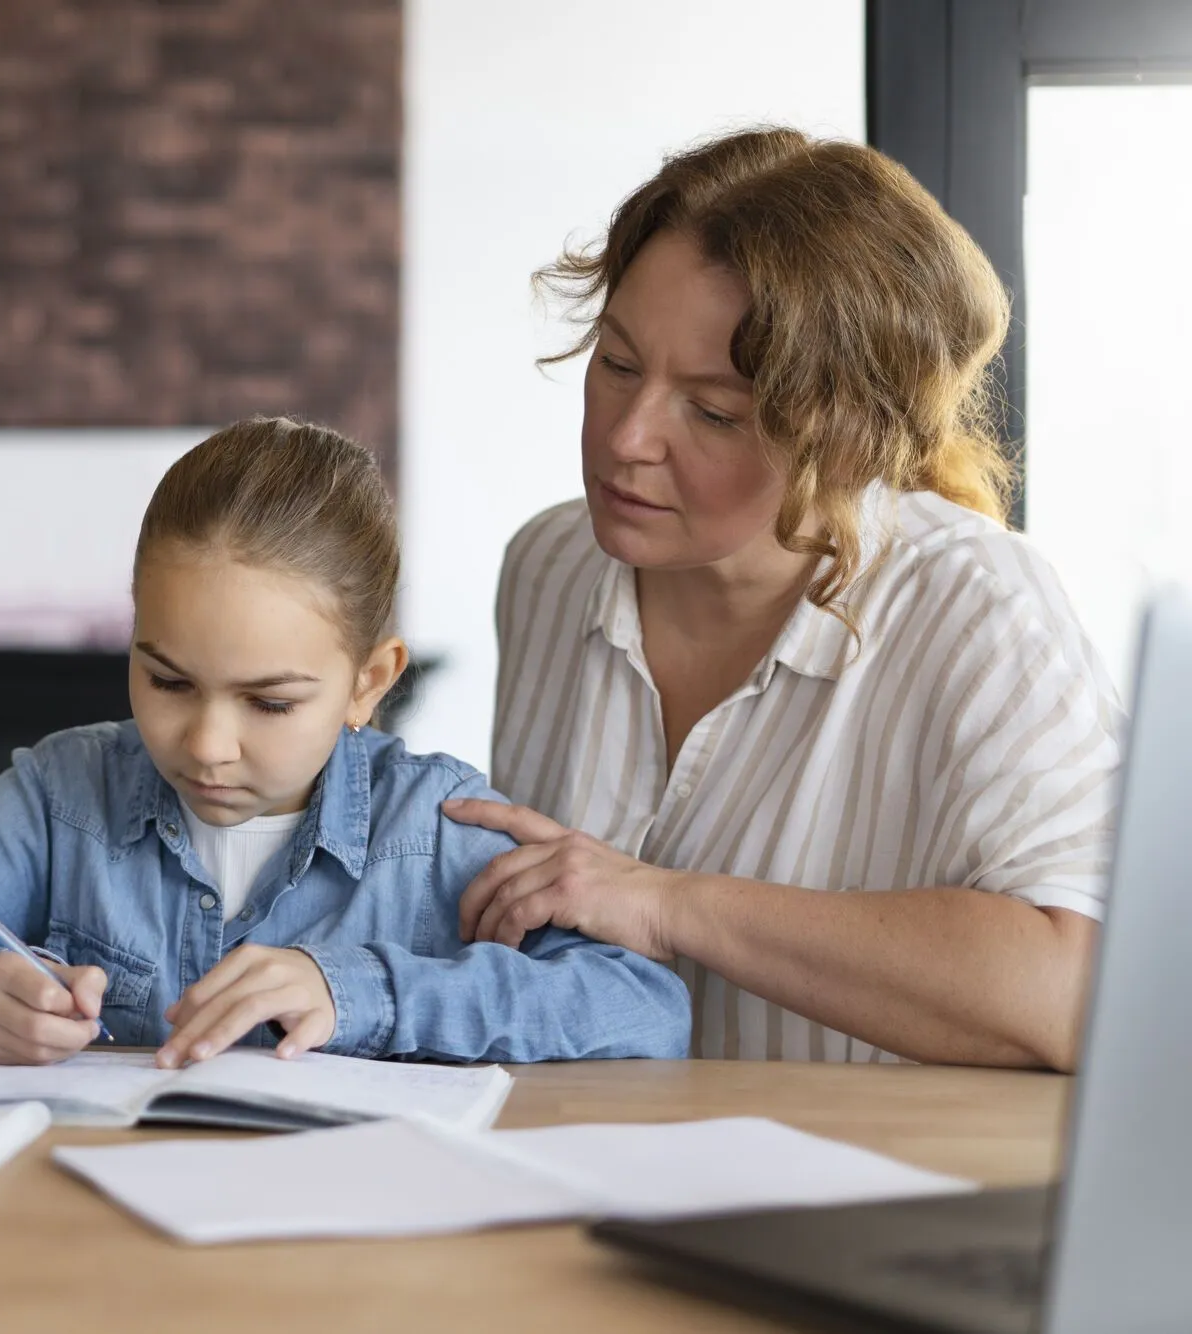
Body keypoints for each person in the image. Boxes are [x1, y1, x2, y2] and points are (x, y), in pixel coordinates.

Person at [445, 128, 1121, 1070]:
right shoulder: (548, 567)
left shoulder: (977, 605)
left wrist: (669, 901)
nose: (628, 438)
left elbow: (1079, 994)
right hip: (578, 1181)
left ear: (848, 441)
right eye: (618, 362)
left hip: (856, 1206)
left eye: (714, 411)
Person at [0, 418, 689, 1067]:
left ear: (370, 683)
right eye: (168, 681)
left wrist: (356, 990)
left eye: (268, 702)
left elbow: (645, 1010)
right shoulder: (56, 798)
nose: (208, 745)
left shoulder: (435, 821)